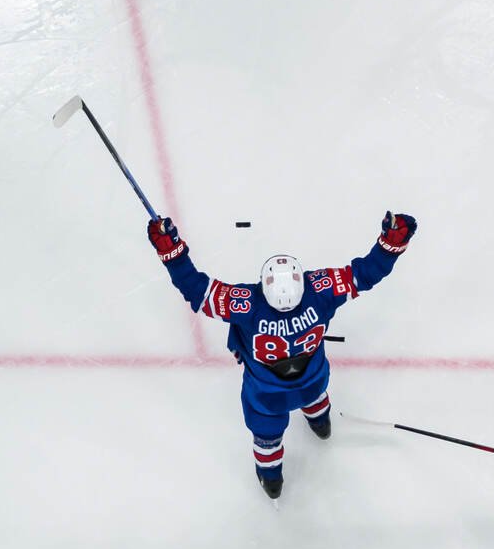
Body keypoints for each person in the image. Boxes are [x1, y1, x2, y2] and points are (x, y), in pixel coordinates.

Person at [148, 210, 416, 497]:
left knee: (267, 440)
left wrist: (171, 250)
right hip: (313, 380)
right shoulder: (319, 292)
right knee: (314, 395)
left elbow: (197, 291)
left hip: (266, 398)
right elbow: (365, 274)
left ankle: (272, 480)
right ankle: (320, 421)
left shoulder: (248, 306)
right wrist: (392, 243)